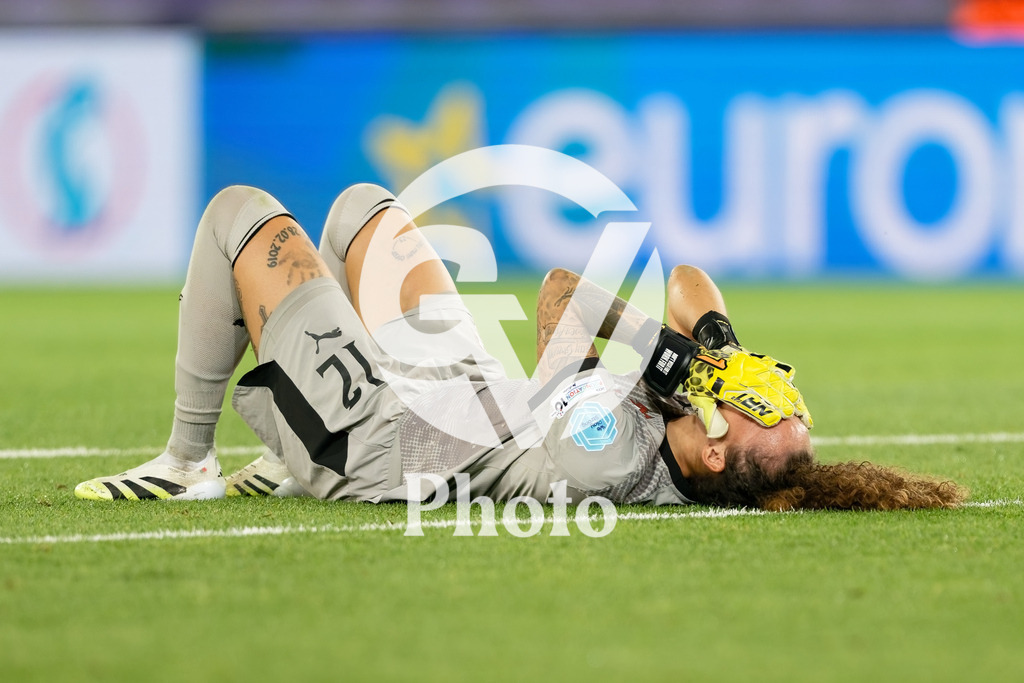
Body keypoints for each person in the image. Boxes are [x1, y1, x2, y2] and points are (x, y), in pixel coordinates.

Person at [75, 184, 966, 511]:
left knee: (241, 216)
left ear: (719, 444)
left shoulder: (610, 461)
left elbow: (556, 301)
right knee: (360, 210)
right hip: (461, 386)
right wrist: (720, 346)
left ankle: (189, 460)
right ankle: (286, 448)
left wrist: (676, 361)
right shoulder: (712, 431)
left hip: (387, 438)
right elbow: (692, 280)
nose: (750, 386)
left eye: (751, 398)